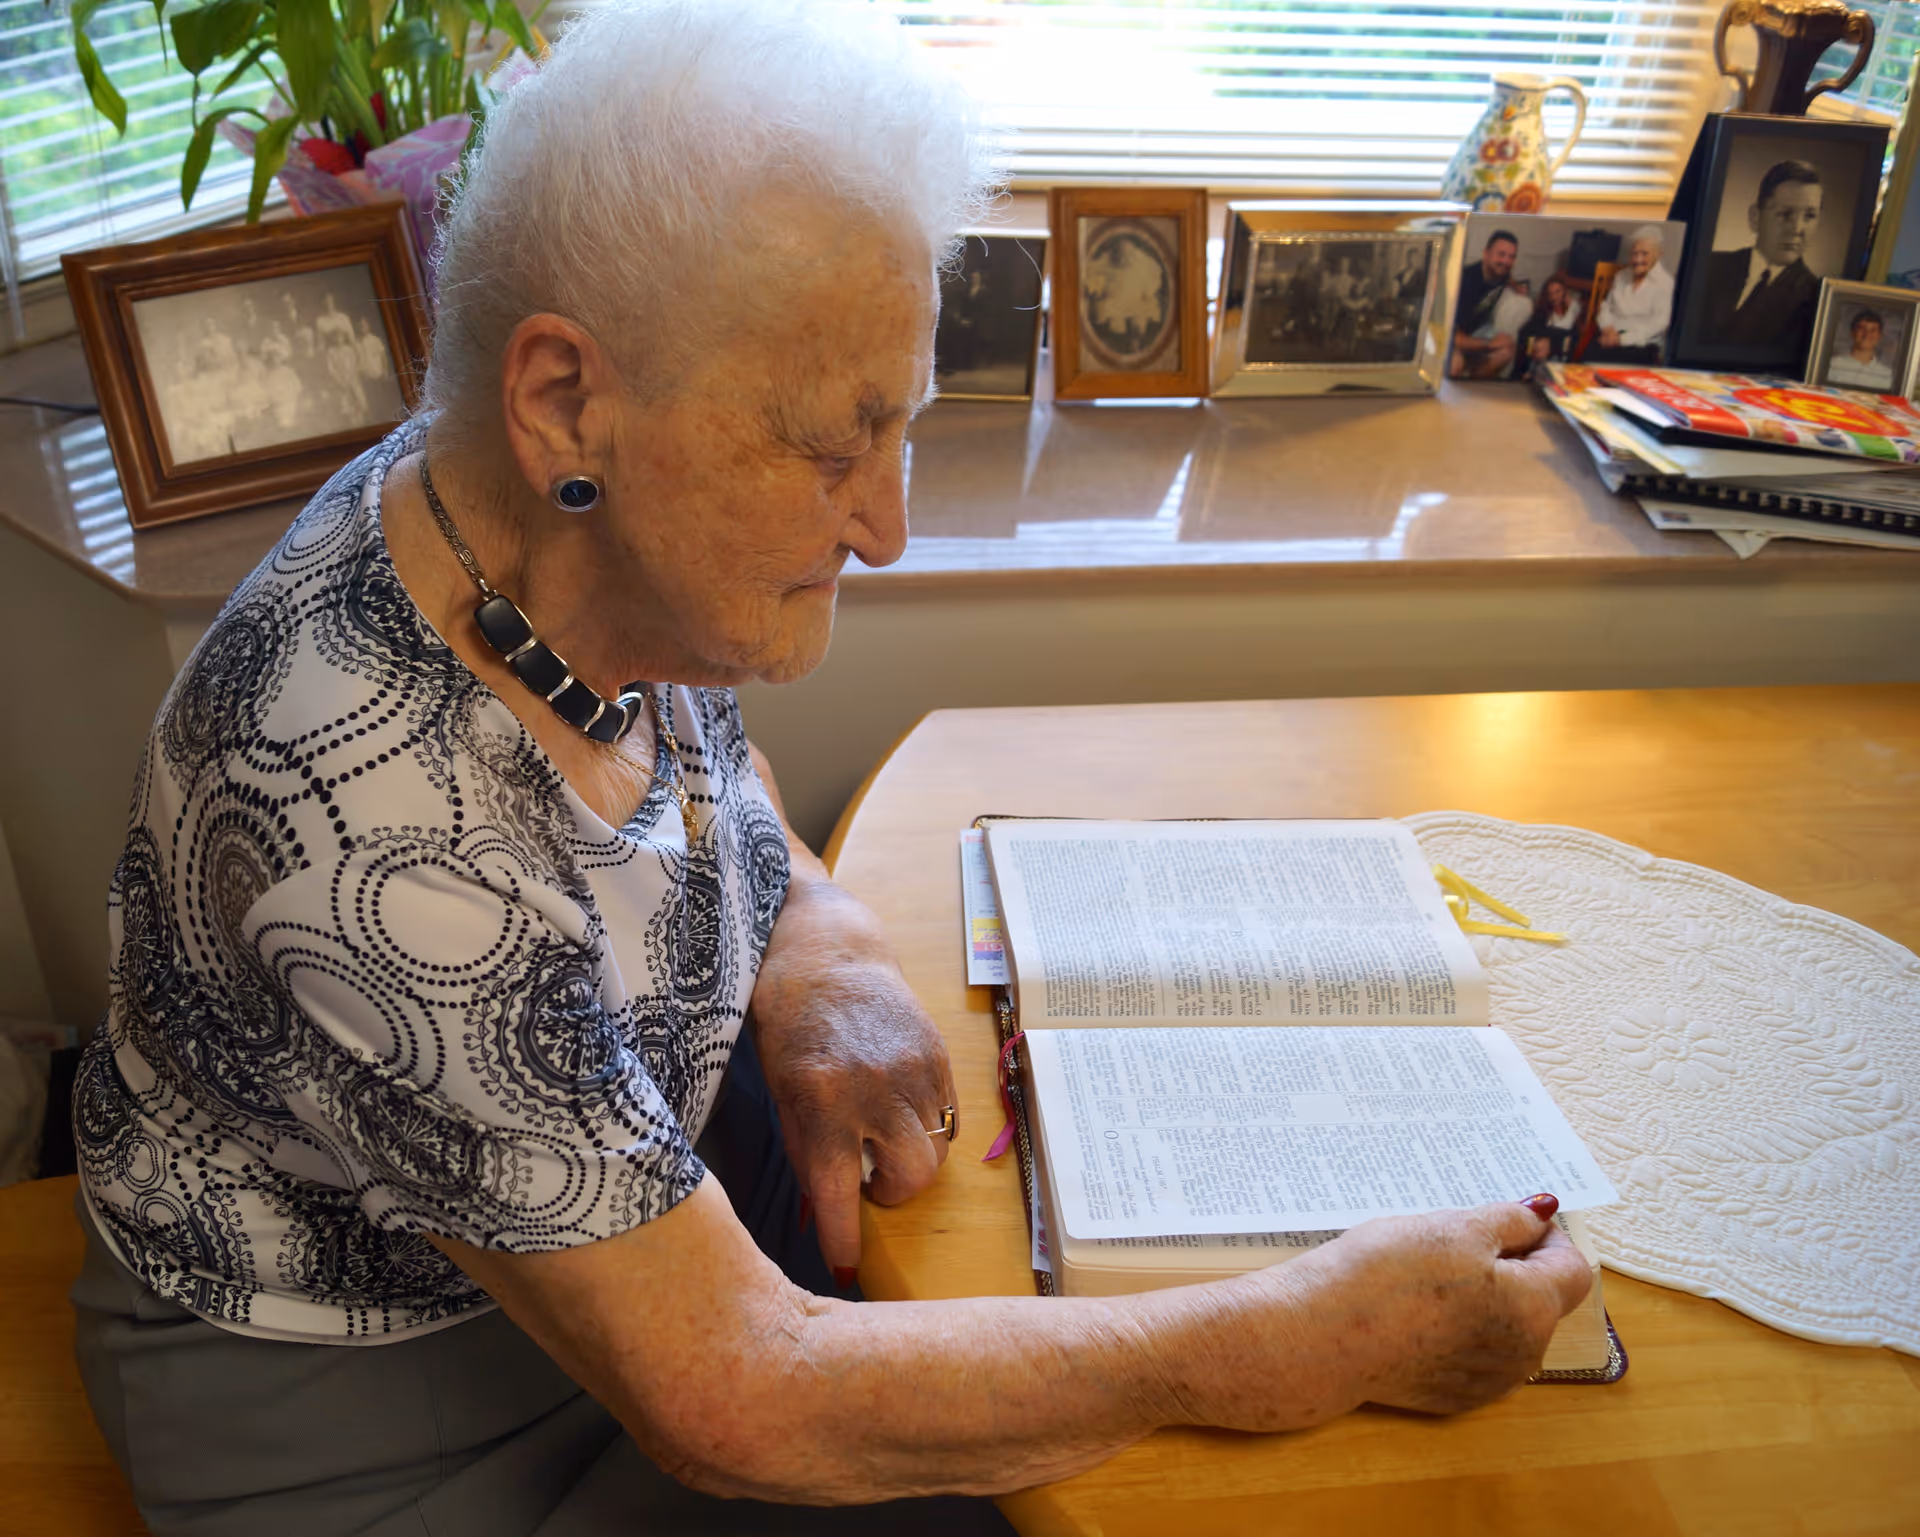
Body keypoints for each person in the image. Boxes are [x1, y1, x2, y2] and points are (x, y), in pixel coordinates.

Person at [69, 3, 1593, 1533]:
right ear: (562, 401)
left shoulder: (529, 531)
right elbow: (738, 1396)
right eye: (829, 445)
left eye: (904, 427)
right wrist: (1301, 1340)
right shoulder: (371, 824)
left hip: (626, 1214)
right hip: (406, 1418)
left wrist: (814, 933)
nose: (886, 525)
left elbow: (674, 759)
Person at [1701, 160, 1823, 354]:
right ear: (1755, 217)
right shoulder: (1710, 267)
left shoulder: (1814, 296)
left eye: (1809, 216)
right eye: (1785, 214)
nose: (1798, 229)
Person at [1586, 225, 1675, 365]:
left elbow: (1659, 324)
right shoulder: (1621, 276)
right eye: (1635, 253)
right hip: (1610, 335)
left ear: (1659, 254)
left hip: (1639, 344)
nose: (1638, 259)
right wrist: (1607, 327)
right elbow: (1606, 306)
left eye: (1645, 253)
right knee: (1586, 364)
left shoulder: (1665, 283)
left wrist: (1621, 340)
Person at [1450, 229, 1527, 379]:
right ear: (1486, 254)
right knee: (1455, 364)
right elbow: (1454, 337)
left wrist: (1517, 287)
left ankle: (1473, 386)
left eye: (1511, 257)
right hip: (1451, 337)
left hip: (1475, 331)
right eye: (1501, 254)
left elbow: (1508, 277)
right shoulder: (1465, 282)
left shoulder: (1501, 273)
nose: (1506, 261)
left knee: (1507, 349)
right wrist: (1489, 343)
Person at [1517, 274, 1585, 367]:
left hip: (1564, 354)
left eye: (1558, 292)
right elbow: (1527, 331)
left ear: (1565, 291)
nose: (1554, 297)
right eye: (1550, 293)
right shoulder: (1543, 313)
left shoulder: (1574, 309)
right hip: (1545, 356)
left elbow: (1576, 334)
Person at [1826, 308, 1898, 391]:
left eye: (1873, 330)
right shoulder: (1832, 365)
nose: (1867, 335)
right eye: (1862, 328)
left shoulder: (1887, 375)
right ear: (1852, 333)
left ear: (1879, 336)